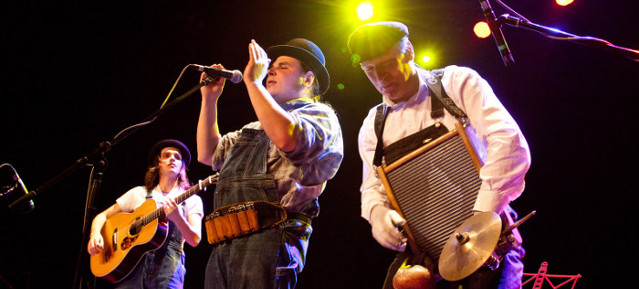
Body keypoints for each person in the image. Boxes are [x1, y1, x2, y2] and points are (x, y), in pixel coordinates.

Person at [347, 22, 531, 289]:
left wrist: (479, 219)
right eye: (370, 71)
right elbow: (372, 188)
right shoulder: (373, 125)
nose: (381, 78)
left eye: (387, 64)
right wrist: (377, 215)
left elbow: (509, 143)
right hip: (425, 262)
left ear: (408, 51)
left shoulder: (456, 83)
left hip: (489, 244)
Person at [197, 38, 343, 289]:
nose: (271, 70)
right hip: (225, 243)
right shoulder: (254, 127)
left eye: (283, 66)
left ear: (307, 79)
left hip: (270, 240)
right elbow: (209, 154)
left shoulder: (320, 115)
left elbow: (288, 138)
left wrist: (253, 82)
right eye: (271, 66)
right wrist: (210, 99)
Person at [87, 139, 204, 289]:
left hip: (168, 269)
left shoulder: (191, 200)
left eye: (177, 157)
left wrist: (178, 218)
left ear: (182, 166)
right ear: (158, 163)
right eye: (167, 155)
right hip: (131, 269)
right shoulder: (139, 193)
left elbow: (194, 239)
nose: (172, 159)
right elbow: (102, 216)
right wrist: (95, 235)